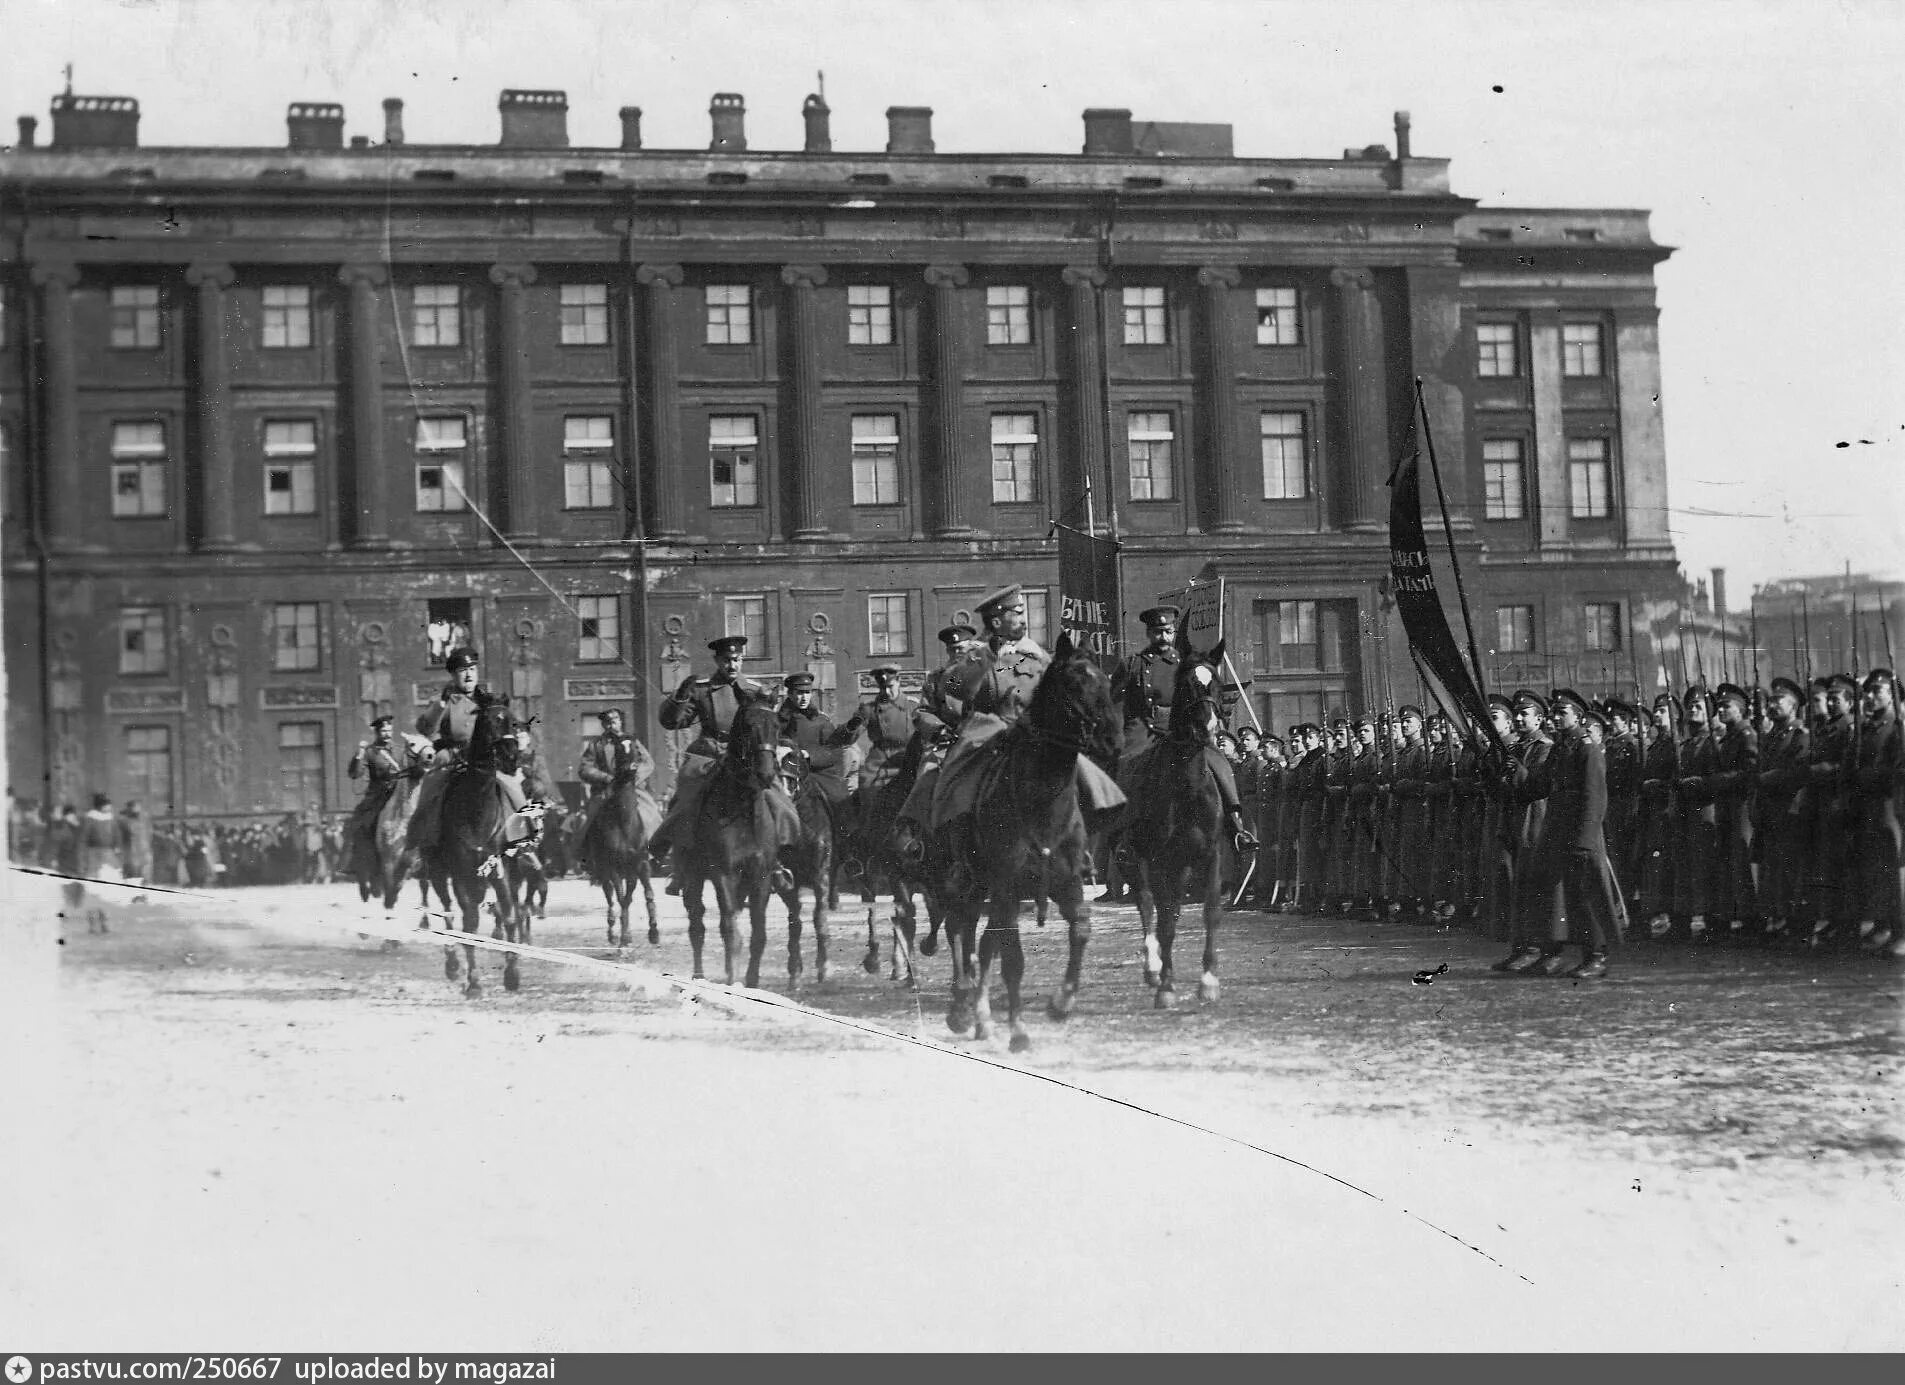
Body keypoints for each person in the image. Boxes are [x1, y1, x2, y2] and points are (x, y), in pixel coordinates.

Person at [898, 583, 1125, 852]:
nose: (1023, 619)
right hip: (987, 732)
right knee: (955, 778)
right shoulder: (978, 653)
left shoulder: (1037, 655)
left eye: (1022, 612)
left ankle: (1087, 834)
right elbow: (957, 687)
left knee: (1080, 768)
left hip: (1033, 729)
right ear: (997, 620)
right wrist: (986, 658)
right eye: (1016, 614)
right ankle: (951, 844)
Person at [650, 635, 798, 884]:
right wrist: (680, 697)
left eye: (738, 659)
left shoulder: (754, 690)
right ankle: (677, 857)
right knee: (687, 792)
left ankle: (778, 859)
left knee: (777, 795)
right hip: (710, 754)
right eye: (727, 660)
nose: (733, 665)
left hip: (747, 757)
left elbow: (767, 727)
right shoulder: (702, 689)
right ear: (718, 661)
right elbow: (672, 722)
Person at [1497, 688, 1622, 978]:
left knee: (1587, 896)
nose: (1555, 716)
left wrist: (1585, 840)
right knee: (1555, 896)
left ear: (1577, 716)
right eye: (1554, 711)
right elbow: (1537, 787)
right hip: (1556, 830)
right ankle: (1554, 955)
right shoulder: (1561, 748)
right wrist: (1516, 770)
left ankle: (1596, 956)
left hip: (1580, 833)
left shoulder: (1586, 747)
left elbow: (1594, 797)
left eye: (1561, 712)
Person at [407, 647, 530, 859]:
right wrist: (440, 706)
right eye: (463, 670)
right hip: (454, 760)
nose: (469, 674)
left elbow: (511, 723)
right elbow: (424, 728)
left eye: (472, 668)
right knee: (429, 793)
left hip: (487, 762)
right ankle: (426, 846)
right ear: (453, 675)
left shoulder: (489, 700)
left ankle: (525, 846)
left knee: (515, 790)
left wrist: (520, 735)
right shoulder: (444, 701)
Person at [1754, 676, 1811, 943]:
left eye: (1779, 701)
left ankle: (1792, 921)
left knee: (1790, 869)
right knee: (1772, 868)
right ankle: (1776, 918)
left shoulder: (1800, 735)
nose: (1772, 705)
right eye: (1771, 700)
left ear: (1794, 705)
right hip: (1768, 812)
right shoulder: (1770, 736)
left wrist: (1766, 779)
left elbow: (1798, 772)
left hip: (1789, 811)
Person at [573, 707, 659, 874]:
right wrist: (606, 778)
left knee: (652, 812)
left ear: (621, 722)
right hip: (607, 790)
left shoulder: (632, 741)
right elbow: (585, 769)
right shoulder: (596, 745)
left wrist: (633, 777)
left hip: (630, 787)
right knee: (588, 819)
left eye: (616, 720)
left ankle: (653, 850)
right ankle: (586, 855)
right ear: (604, 725)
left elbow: (648, 763)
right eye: (609, 722)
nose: (613, 724)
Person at [345, 715, 418, 877]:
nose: (387, 734)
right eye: (383, 730)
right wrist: (360, 753)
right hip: (378, 796)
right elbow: (355, 773)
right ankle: (355, 860)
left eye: (389, 730)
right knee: (360, 823)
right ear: (377, 732)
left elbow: (413, 769)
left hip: (400, 793)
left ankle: (421, 859)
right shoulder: (370, 752)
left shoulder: (400, 749)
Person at [777, 671, 856, 817]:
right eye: (799, 693)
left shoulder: (821, 720)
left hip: (817, 774)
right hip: (786, 773)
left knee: (839, 800)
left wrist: (809, 756)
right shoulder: (777, 721)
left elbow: (833, 751)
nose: (804, 697)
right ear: (790, 694)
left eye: (807, 692)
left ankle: (843, 837)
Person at [1110, 605, 1181, 757]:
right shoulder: (1132, 665)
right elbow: (1116, 704)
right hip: (1142, 728)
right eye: (1158, 632)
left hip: (1177, 728)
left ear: (1174, 633)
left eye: (1168, 632)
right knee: (1124, 762)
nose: (1163, 637)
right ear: (1148, 633)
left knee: (1211, 763)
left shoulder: (1184, 665)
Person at [118, 799, 153, 886]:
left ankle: (144, 891)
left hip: (144, 851)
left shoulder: (144, 819)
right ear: (129, 808)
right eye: (134, 807)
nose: (137, 809)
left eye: (138, 807)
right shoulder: (124, 821)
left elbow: (148, 833)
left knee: (144, 875)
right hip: (131, 852)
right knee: (133, 876)